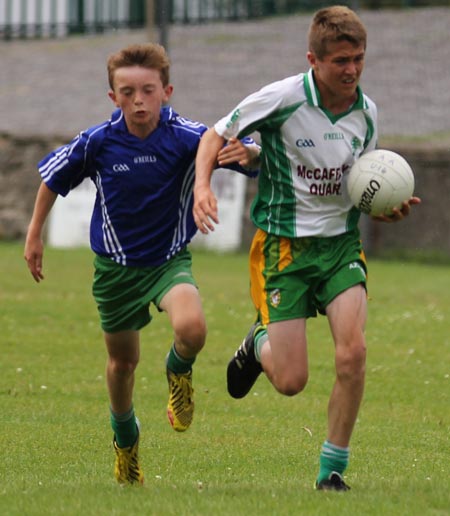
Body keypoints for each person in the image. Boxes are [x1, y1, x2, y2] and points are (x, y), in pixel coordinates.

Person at [193, 6, 421, 491]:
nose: (351, 70)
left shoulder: (367, 112)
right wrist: (202, 187)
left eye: (358, 58)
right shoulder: (282, 98)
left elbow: (363, 182)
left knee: (352, 354)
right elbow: (215, 134)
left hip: (340, 248)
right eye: (340, 60)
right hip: (286, 251)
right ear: (313, 59)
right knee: (291, 380)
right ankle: (258, 343)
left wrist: (386, 207)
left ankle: (331, 471)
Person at [24, 43, 260, 486]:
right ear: (113, 96)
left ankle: (178, 371)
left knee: (193, 328)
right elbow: (51, 179)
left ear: (166, 91)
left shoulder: (186, 135)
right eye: (127, 91)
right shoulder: (98, 141)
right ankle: (125, 439)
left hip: (168, 262)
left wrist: (248, 153)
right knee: (122, 364)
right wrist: (35, 233)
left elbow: (230, 146)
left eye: (147, 90)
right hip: (114, 271)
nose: (138, 100)